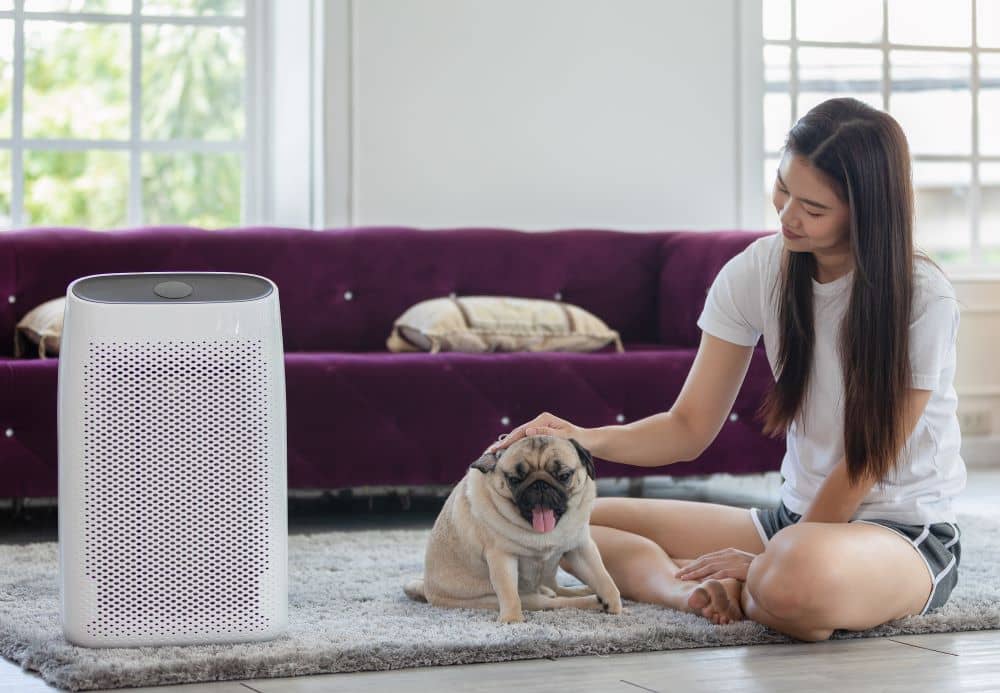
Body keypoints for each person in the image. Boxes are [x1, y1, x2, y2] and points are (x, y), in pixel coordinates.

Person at [485, 97, 965, 642]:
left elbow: (863, 464)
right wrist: (580, 439)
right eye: (783, 188)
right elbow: (687, 428)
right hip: (792, 522)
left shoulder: (923, 298)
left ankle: (767, 582)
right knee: (560, 519)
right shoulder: (758, 271)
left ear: (865, 211)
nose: (786, 215)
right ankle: (688, 591)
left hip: (900, 534)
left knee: (794, 577)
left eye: (813, 207)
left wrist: (770, 559)